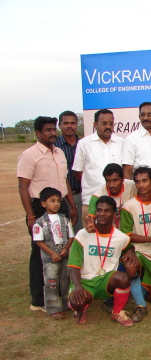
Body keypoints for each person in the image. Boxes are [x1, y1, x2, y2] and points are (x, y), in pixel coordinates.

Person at [17, 116, 78, 312]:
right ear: (38, 133)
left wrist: (71, 206)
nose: (53, 133)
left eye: (54, 129)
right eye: (48, 130)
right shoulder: (29, 155)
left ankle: (59, 295)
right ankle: (38, 300)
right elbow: (23, 187)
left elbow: (65, 181)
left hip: (60, 206)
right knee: (41, 253)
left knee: (61, 251)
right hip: (39, 208)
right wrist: (30, 216)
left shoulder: (59, 152)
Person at [68, 196, 137, 326]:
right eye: (99, 210)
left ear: (114, 213)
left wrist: (131, 251)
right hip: (85, 281)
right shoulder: (82, 235)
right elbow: (74, 264)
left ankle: (117, 312)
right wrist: (77, 285)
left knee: (123, 278)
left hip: (106, 279)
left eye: (107, 211)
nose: (102, 214)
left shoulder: (120, 237)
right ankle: (80, 310)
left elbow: (129, 245)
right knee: (77, 303)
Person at [120, 166, 151, 322]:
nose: (141, 185)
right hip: (138, 251)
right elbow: (126, 235)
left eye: (145, 181)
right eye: (138, 182)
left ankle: (138, 287)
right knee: (131, 265)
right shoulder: (128, 206)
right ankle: (140, 305)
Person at [73, 109, 123, 222]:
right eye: (104, 123)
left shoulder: (121, 143)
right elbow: (77, 172)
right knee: (91, 237)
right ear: (95, 125)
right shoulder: (84, 144)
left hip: (117, 203)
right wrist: (94, 186)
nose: (108, 126)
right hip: (91, 201)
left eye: (111, 123)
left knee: (116, 238)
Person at [32, 187, 74, 320]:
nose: (56, 204)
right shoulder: (40, 223)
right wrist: (52, 253)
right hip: (50, 259)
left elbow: (70, 236)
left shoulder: (65, 220)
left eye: (58, 201)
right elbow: (39, 241)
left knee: (65, 280)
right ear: (44, 203)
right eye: (52, 201)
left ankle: (66, 304)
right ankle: (53, 308)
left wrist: (66, 248)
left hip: (64, 255)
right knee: (51, 282)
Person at [55, 110, 83, 232]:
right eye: (66, 123)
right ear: (59, 125)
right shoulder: (54, 145)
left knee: (80, 233)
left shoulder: (84, 144)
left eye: (73, 123)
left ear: (77, 124)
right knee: (60, 234)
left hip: (81, 194)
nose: (70, 126)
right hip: (60, 197)